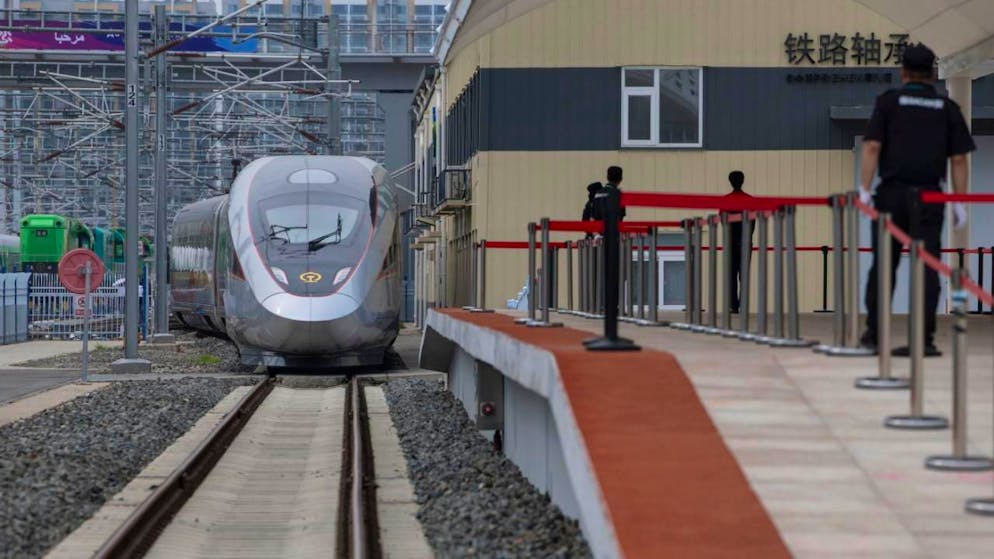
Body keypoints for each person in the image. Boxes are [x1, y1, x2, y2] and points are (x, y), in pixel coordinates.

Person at [859, 43, 975, 357]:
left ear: (904, 71)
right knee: (927, 267)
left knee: (884, 266)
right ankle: (924, 340)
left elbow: (871, 147)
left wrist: (864, 190)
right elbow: (960, 160)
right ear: (933, 73)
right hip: (930, 197)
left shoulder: (889, 102)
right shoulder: (947, 108)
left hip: (892, 195)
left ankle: (873, 336)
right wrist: (959, 201)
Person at [724, 170, 754, 313]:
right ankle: (743, 305)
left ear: (730, 182)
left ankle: (733, 306)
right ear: (743, 181)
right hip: (745, 241)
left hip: (730, 241)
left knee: (731, 275)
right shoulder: (750, 200)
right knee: (744, 275)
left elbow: (724, 222)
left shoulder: (726, 200)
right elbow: (753, 222)